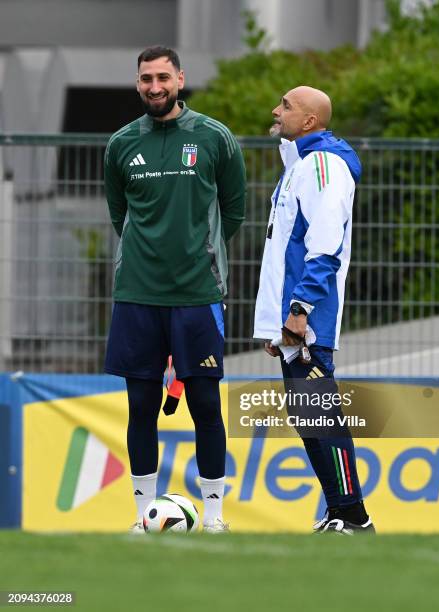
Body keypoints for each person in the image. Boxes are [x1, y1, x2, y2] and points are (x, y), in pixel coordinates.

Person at [104, 46, 246, 533]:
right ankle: (142, 517)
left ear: (180, 79)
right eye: (146, 79)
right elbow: (119, 214)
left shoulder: (214, 137)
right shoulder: (121, 144)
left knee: (206, 405)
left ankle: (214, 518)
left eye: (163, 77)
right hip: (137, 295)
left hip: (197, 293)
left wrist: (196, 252)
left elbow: (234, 209)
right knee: (141, 407)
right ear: (138, 83)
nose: (154, 87)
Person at [253, 86, 374, 534]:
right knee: (308, 416)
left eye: (285, 105)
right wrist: (274, 323)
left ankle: (354, 515)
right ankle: (339, 513)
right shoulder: (302, 164)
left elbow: (325, 243)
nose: (275, 110)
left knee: (321, 416)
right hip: (291, 319)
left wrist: (299, 311)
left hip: (308, 316)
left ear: (309, 121)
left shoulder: (323, 163)